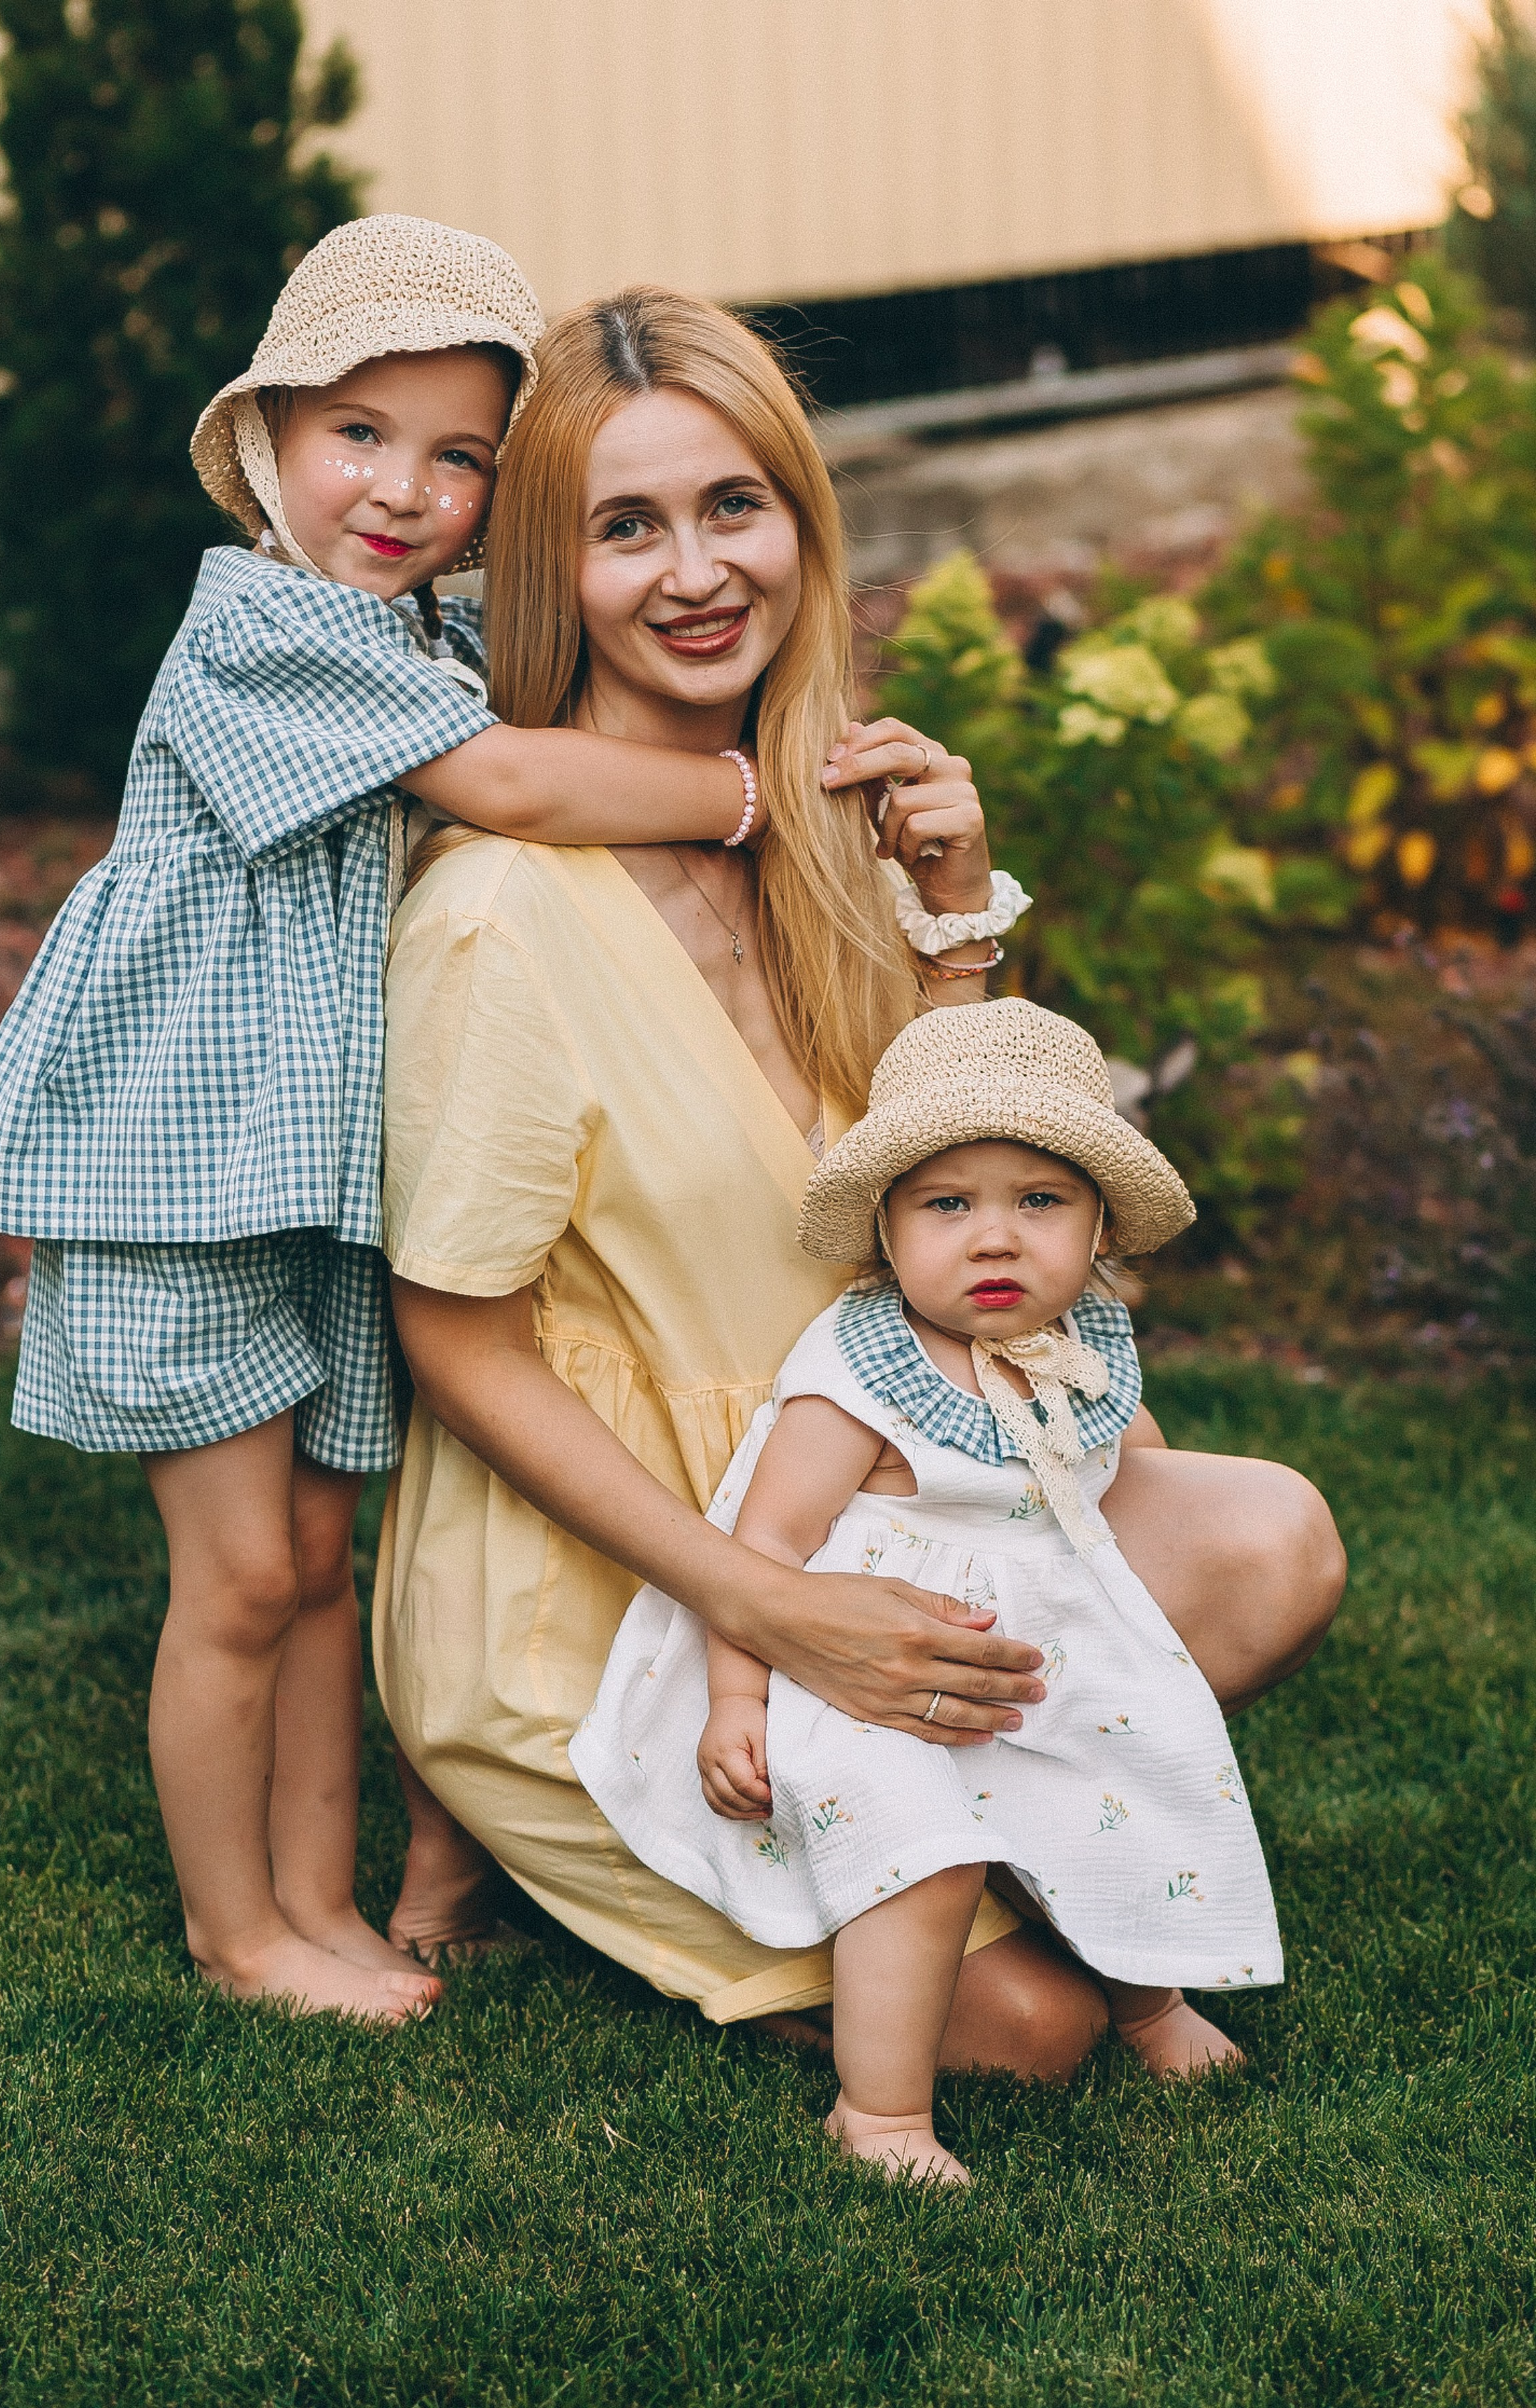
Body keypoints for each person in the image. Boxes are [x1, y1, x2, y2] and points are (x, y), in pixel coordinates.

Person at [0, 221, 903, 2027]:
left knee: (316, 1560)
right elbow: (511, 777)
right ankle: (238, 1932)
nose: (405, 490)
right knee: (239, 1576)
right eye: (359, 436)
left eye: (461, 458)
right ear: (267, 440)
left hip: (295, 1162)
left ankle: (324, 1901)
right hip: (186, 1166)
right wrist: (743, 792)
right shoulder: (263, 627)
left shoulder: (411, 628)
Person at [377, 286, 1341, 2077]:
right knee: (1038, 2032)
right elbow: (457, 1344)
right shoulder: (498, 919)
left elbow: (940, 1201)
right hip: (629, 1591)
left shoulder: (818, 832)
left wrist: (953, 929)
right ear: (550, 573)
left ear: (802, 525)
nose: (696, 574)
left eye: (734, 506)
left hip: (891, 1498)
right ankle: (535, 1814)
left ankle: (961, 1806)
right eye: (626, 527)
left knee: (1269, 1541)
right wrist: (765, 1608)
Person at [573, 999, 1287, 2183]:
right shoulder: (862, 1370)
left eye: (1040, 1202)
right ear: (888, 1227)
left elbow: (1118, 1459)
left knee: (1113, 1775)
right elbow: (766, 1548)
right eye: (948, 1205)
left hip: (1013, 1654)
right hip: (846, 1674)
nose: (995, 1240)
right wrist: (738, 1702)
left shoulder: (1079, 1345)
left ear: (1100, 1225)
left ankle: (1150, 2005)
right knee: (926, 1851)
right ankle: (881, 2113)